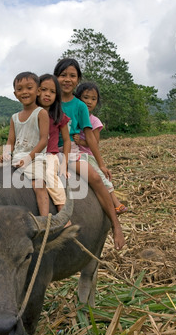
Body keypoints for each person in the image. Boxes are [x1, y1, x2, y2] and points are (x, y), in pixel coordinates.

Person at [53, 58, 125, 250]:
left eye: (72, 76)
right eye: (63, 75)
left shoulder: (80, 106)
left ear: (77, 80)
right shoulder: (49, 100)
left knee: (95, 178)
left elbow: (91, 137)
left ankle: (115, 225)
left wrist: (100, 164)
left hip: (71, 152)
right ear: (55, 77)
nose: (67, 79)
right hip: (48, 151)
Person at [74, 81, 128, 215]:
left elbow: (95, 142)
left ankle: (115, 202)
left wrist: (81, 141)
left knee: (100, 177)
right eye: (85, 97)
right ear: (78, 98)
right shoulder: (73, 117)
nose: (89, 102)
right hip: (72, 152)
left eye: (93, 99)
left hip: (87, 154)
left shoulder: (94, 121)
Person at [1, 71, 50, 216]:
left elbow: (43, 140)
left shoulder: (41, 113)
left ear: (38, 91)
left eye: (29, 88)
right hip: (16, 157)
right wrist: (6, 153)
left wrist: (29, 158)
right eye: (20, 89)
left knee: (38, 185)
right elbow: (10, 140)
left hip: (35, 158)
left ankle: (45, 220)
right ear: (15, 94)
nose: (24, 92)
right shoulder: (14, 117)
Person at [36, 73, 71, 214]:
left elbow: (67, 140)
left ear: (57, 96)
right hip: (31, 154)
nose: (47, 94)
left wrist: (64, 163)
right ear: (37, 91)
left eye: (52, 91)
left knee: (50, 176)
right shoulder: (32, 113)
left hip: (50, 155)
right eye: (44, 90)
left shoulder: (59, 116)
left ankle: (62, 209)